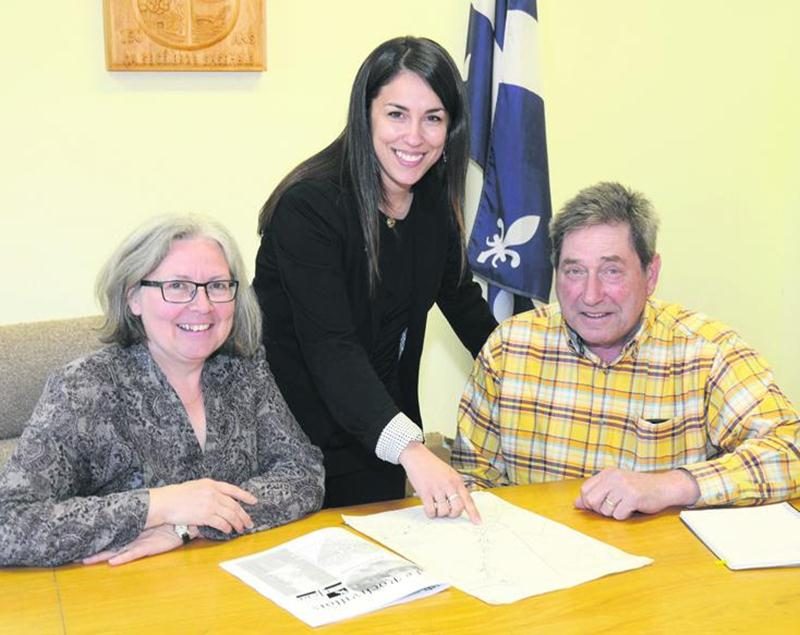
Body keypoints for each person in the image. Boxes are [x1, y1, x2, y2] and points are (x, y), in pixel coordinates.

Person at [253, 36, 496, 520]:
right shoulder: (310, 207)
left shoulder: (432, 205)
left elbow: (462, 302)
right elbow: (332, 348)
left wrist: (535, 367)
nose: (415, 137)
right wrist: (412, 449)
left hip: (378, 441)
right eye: (397, 114)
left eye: (433, 118)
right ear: (365, 114)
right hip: (293, 448)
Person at [453, 182, 800, 519]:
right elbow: (473, 479)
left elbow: (790, 449)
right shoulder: (509, 348)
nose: (590, 295)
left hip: (663, 567)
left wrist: (670, 485)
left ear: (651, 275)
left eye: (611, 271)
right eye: (574, 271)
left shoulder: (707, 352)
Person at [0, 215, 324, 567]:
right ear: (133, 298)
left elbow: (304, 474)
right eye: (178, 286)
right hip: (122, 597)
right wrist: (161, 504)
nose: (202, 305)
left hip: (230, 582)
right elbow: (10, 522)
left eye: (217, 285)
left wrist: (190, 524)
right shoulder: (85, 386)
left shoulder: (244, 370)